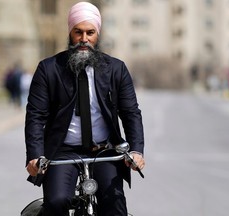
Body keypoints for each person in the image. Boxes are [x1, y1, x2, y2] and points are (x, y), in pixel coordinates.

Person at [25, 2, 145, 216]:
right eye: (78, 32)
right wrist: (35, 156)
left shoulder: (116, 69)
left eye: (90, 32)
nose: (83, 39)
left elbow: (130, 113)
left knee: (115, 207)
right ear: (70, 32)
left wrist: (135, 151)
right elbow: (35, 115)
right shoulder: (48, 69)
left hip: (105, 150)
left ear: (97, 34)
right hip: (62, 152)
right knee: (57, 202)